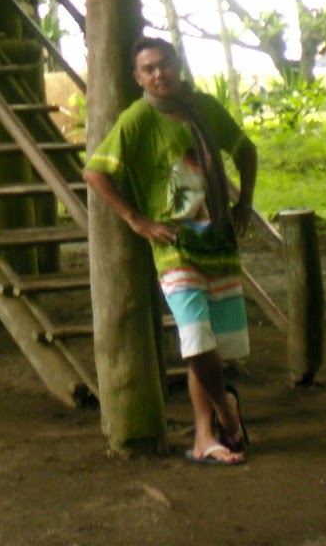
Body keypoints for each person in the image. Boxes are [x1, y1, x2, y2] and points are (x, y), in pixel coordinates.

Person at [82, 37, 259, 465]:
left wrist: (245, 203)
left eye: (164, 64)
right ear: (137, 77)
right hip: (174, 246)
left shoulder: (204, 108)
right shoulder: (138, 118)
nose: (158, 74)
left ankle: (204, 438)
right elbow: (96, 172)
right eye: (148, 69)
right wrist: (136, 220)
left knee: (212, 342)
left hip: (217, 241)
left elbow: (245, 150)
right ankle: (227, 414)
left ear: (177, 65)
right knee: (196, 338)